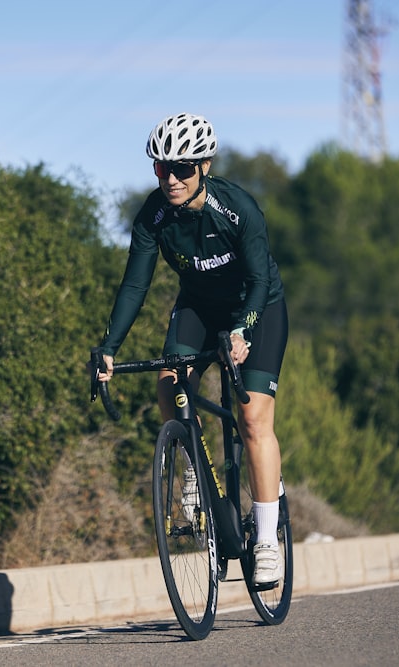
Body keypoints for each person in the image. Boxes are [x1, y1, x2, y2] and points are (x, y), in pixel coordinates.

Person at [95, 113, 288, 587]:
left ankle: (266, 541)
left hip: (256, 307)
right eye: (162, 169)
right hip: (200, 308)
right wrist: (108, 347)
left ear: (204, 164)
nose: (171, 179)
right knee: (169, 388)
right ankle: (194, 473)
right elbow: (135, 285)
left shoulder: (237, 207)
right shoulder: (153, 216)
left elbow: (260, 280)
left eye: (181, 169)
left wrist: (243, 329)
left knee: (252, 420)